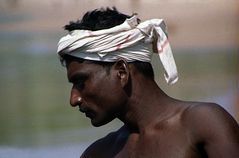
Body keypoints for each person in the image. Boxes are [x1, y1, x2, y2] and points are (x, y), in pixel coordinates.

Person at [57, 7, 239, 158]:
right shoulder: (99, 153)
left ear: (121, 72)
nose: (74, 99)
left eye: (81, 82)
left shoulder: (202, 123)